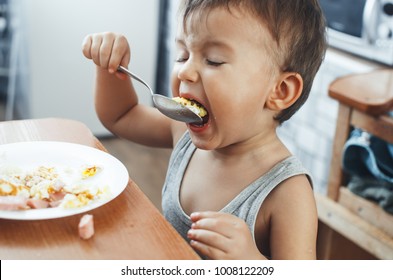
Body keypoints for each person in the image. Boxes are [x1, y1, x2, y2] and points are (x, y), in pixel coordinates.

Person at [82, 0, 327, 259]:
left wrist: (250, 261)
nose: (185, 71)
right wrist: (109, 66)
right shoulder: (182, 132)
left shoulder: (288, 193)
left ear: (280, 91)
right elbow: (121, 116)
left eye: (214, 61)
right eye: (183, 55)